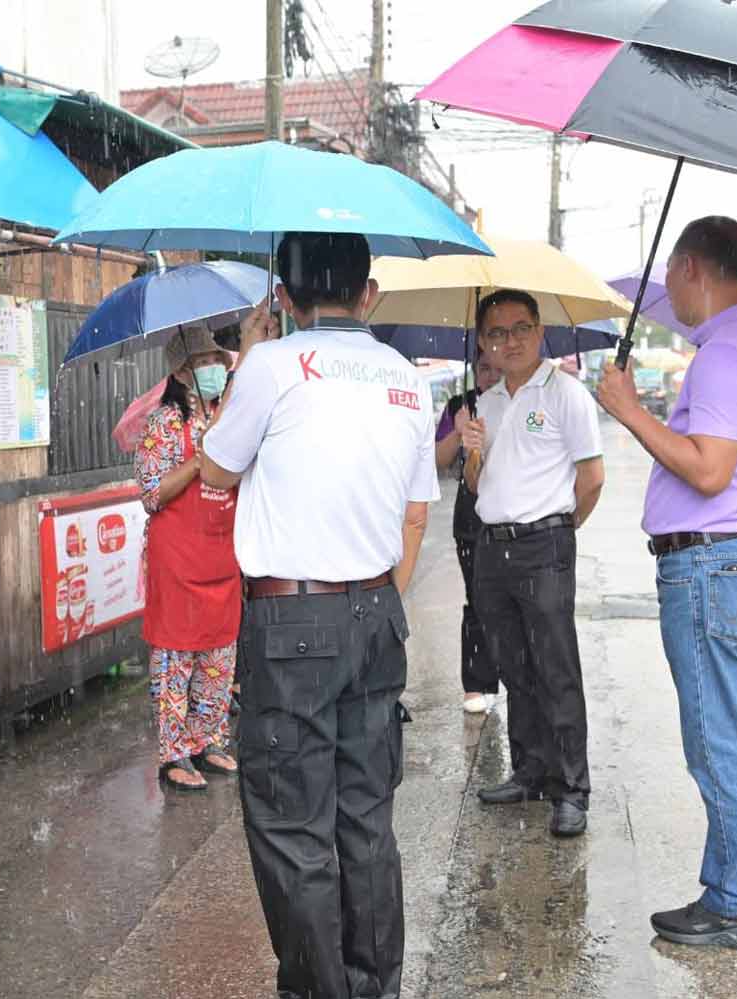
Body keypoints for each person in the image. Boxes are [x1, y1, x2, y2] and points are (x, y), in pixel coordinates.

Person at [201, 231, 437, 999]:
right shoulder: (406, 377)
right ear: (366, 293)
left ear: (284, 293)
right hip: (377, 611)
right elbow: (414, 509)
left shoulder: (271, 365)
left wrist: (249, 353)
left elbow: (213, 465)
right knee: (366, 821)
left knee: (292, 825)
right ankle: (374, 988)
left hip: (291, 621)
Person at [596, 216, 737, 951]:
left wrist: (627, 410)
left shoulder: (720, 356)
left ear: (691, 267)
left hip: (714, 564)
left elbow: (710, 470)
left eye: (672, 279)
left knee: (718, 737)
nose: (670, 295)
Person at [459, 290, 605, 839]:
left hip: (544, 546)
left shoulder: (565, 393)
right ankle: (530, 770)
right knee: (513, 667)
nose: (510, 341)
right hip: (491, 547)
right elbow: (476, 486)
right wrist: (473, 449)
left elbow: (591, 479)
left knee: (555, 669)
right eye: (497, 333)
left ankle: (572, 788)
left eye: (520, 328)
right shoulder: (487, 402)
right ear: (484, 343)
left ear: (539, 331)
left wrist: (559, 534)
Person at [132, 325, 240, 791]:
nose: (215, 369)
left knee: (219, 656)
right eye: (203, 362)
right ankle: (174, 754)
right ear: (180, 372)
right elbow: (151, 494)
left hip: (221, 555)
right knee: (176, 659)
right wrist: (197, 460)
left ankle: (209, 740)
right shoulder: (163, 425)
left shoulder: (226, 417)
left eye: (218, 360)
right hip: (178, 560)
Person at [433, 350, 503, 713]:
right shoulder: (461, 405)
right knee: (477, 599)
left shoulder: (518, 401)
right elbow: (438, 461)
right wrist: (458, 432)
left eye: (497, 369)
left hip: (513, 513)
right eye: (484, 369)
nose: (491, 376)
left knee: (512, 602)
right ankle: (477, 683)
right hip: (470, 517)